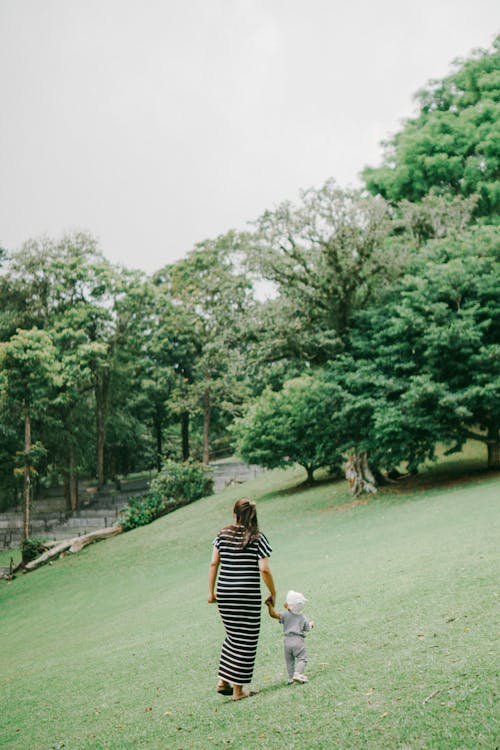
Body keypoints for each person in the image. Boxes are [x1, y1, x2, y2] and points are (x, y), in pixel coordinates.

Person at [208, 498, 276, 701]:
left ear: (235, 513)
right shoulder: (257, 537)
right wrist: (273, 592)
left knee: (233, 636)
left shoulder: (223, 534)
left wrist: (211, 592)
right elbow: (264, 568)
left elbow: (214, 563)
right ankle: (238, 691)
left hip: (225, 593)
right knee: (246, 639)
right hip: (247, 594)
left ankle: (223, 680)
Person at [265, 589, 314, 684]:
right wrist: (311, 624)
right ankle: (298, 674)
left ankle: (291, 677)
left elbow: (273, 614)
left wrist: (269, 606)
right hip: (298, 641)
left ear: (288, 605)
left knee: (289, 661)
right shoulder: (302, 617)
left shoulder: (285, 615)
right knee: (302, 658)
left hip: (287, 642)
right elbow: (307, 628)